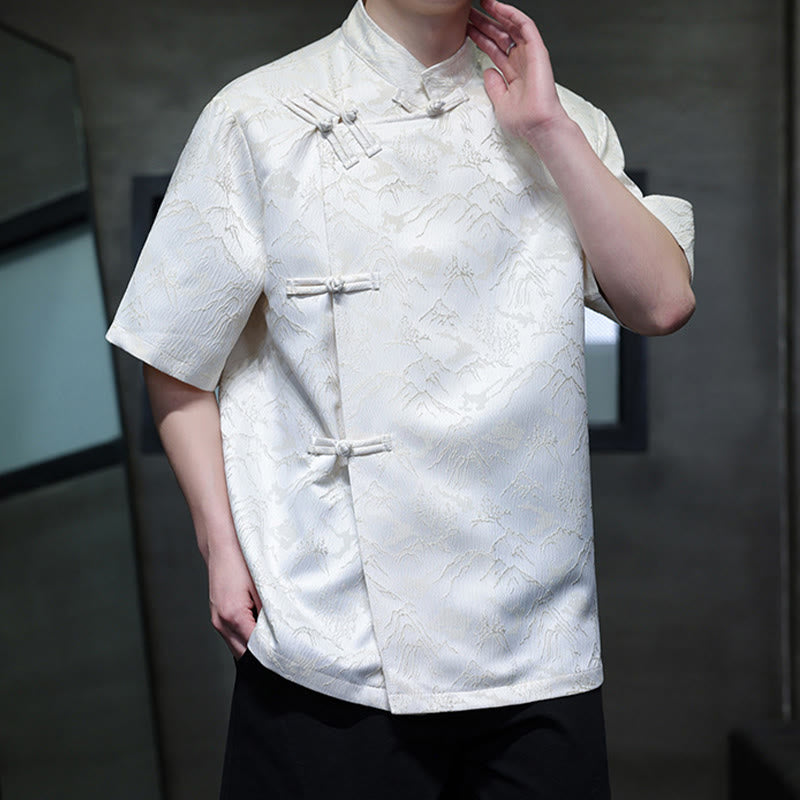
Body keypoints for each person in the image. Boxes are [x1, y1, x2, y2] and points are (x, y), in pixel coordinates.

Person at [107, 0, 695, 796]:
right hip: (327, 627)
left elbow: (662, 302)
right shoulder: (257, 114)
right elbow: (175, 353)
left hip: (536, 638)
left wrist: (548, 127)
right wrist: (221, 547)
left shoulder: (566, 118)